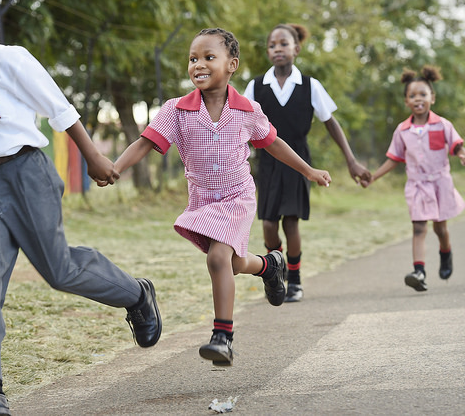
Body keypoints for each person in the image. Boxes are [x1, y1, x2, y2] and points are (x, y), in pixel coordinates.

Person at [0, 0, 162, 414]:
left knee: (60, 271)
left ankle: (135, 294)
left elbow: (59, 108)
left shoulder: (10, 58)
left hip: (26, 174)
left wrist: (92, 156)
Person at [114, 28, 331, 366]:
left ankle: (223, 337)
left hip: (237, 196)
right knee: (231, 262)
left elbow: (273, 143)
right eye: (192, 58)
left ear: (232, 64)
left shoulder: (247, 109)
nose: (198, 64)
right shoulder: (176, 110)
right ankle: (269, 265)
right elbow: (145, 142)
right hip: (202, 201)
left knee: (217, 260)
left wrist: (308, 171)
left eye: (208, 57)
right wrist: (116, 167)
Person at [243, 23, 370, 302]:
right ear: (268, 51)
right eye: (273, 44)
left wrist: (351, 162)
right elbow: (240, 124)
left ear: (296, 49)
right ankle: (277, 270)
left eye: (284, 44)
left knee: (291, 222)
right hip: (267, 160)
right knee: (267, 224)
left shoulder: (310, 85)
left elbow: (331, 123)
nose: (278, 48)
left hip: (298, 160)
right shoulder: (255, 86)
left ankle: (296, 281)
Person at [363, 66, 465, 292]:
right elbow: (394, 158)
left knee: (440, 228)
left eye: (423, 94)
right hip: (417, 185)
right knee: (418, 227)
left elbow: (456, 144)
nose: (418, 99)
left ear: (432, 97)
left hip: (440, 183)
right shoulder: (402, 131)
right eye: (412, 96)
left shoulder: (442, 124)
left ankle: (446, 253)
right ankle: (419, 271)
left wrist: (463, 154)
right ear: (406, 101)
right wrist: (373, 177)